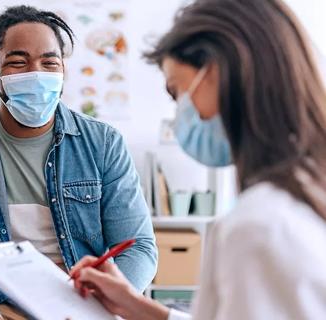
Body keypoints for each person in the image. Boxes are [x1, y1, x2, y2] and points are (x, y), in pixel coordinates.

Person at [70, 0, 326, 319]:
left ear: (218, 74)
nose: (178, 116)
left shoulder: (260, 226)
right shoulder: (307, 187)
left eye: (177, 94)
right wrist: (135, 306)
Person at [0, 5, 157, 320]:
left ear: (63, 71)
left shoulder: (104, 143)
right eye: (18, 62)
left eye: (49, 62)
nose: (36, 74)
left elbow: (138, 248)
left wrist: (100, 305)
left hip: (84, 302)